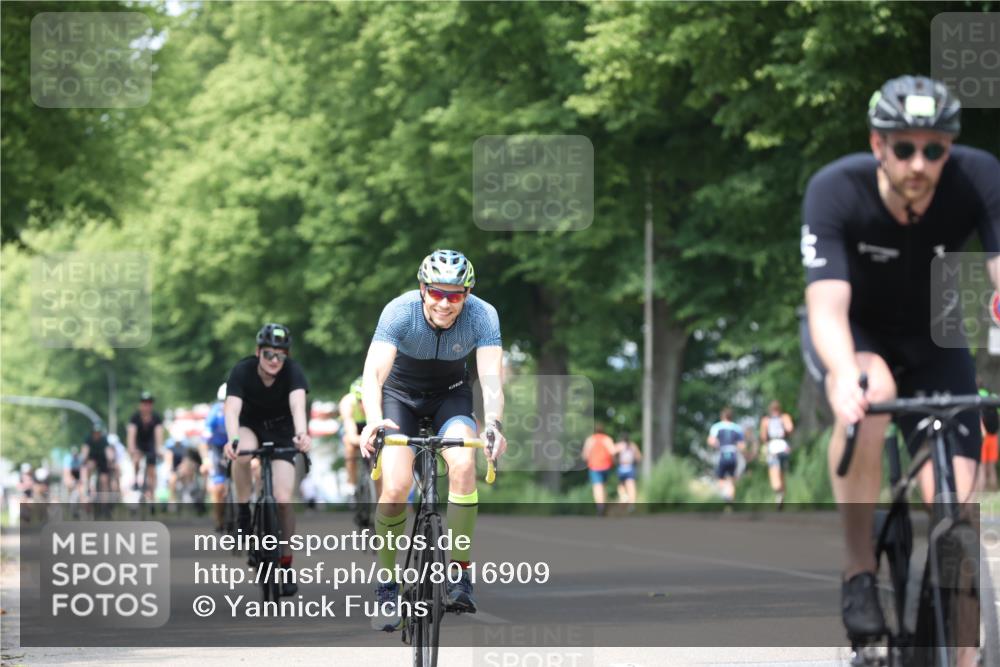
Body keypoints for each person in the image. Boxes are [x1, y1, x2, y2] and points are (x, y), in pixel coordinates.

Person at [800, 75, 999, 644]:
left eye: (934, 148)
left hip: (935, 339)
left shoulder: (979, 176)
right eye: (904, 147)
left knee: (958, 512)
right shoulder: (834, 190)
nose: (919, 162)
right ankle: (859, 568)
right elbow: (827, 305)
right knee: (872, 389)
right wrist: (842, 375)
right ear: (877, 145)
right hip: (855, 333)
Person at [357, 249, 507, 632]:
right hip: (399, 398)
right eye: (437, 292)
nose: (444, 302)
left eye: (454, 294)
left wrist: (494, 426)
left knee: (462, 464)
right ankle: (388, 585)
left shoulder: (483, 316)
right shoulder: (399, 311)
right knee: (394, 487)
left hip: (451, 397)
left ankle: (459, 573)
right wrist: (374, 421)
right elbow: (373, 374)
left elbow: (490, 379)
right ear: (423, 289)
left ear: (467, 295)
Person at [223, 323, 312, 597]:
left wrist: (302, 434)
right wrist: (232, 439)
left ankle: (285, 563)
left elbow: (298, 405)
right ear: (258, 352)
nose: (274, 361)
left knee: (283, 499)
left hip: (283, 432)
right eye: (269, 354)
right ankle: (242, 512)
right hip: (250, 427)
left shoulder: (293, 372)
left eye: (280, 356)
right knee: (243, 452)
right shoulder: (241, 371)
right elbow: (232, 409)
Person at [202, 383, 232, 531]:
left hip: (235, 447)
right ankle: (219, 519)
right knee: (219, 488)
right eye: (223, 401)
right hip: (217, 449)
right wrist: (206, 460)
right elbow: (205, 438)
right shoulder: (215, 413)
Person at [127, 391, 164, 502]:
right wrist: (131, 449)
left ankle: (151, 496)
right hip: (139, 445)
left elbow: (159, 434)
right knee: (136, 459)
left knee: (152, 471)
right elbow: (131, 435)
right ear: (140, 404)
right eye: (144, 403)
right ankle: (136, 479)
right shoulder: (135, 417)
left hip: (151, 445)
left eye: (149, 403)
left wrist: (159, 449)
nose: (146, 406)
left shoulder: (156, 418)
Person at [759, 401, 795, 507]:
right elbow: (790, 429)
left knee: (774, 471)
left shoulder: (766, 420)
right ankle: (781, 493)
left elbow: (763, 437)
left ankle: (778, 490)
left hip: (773, 447)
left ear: (770, 410)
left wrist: (766, 444)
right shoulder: (784, 417)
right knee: (782, 473)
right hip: (783, 446)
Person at [707, 407, 745, 503]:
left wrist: (717, 445)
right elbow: (742, 445)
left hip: (722, 454)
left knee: (720, 478)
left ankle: (725, 494)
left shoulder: (717, 427)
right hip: (733, 454)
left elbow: (711, 441)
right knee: (732, 480)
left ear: (722, 416)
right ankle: (729, 503)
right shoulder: (737, 428)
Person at [338, 376, 366, 495]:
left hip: (368, 424)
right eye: (361, 401)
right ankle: (351, 481)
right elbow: (352, 436)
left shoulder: (380, 402)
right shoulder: (347, 403)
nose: (364, 405)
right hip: (352, 426)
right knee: (349, 443)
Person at [582, 423, 616, 516]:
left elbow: (585, 455)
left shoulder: (590, 440)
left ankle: (600, 506)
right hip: (606, 466)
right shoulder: (607, 439)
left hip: (594, 467)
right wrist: (614, 462)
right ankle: (604, 504)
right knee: (603, 486)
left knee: (597, 487)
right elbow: (612, 452)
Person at [978, 382, 999, 492]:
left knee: (981, 466)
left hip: (982, 435)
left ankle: (982, 492)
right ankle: (994, 490)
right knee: (991, 467)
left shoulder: (975, 396)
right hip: (993, 435)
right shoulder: (992, 397)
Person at [614, 431, 642, 511]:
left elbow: (612, 452)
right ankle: (632, 504)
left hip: (621, 467)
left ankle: (624, 496)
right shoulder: (633, 446)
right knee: (631, 486)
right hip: (630, 467)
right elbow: (639, 457)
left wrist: (616, 460)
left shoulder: (619, 445)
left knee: (621, 485)